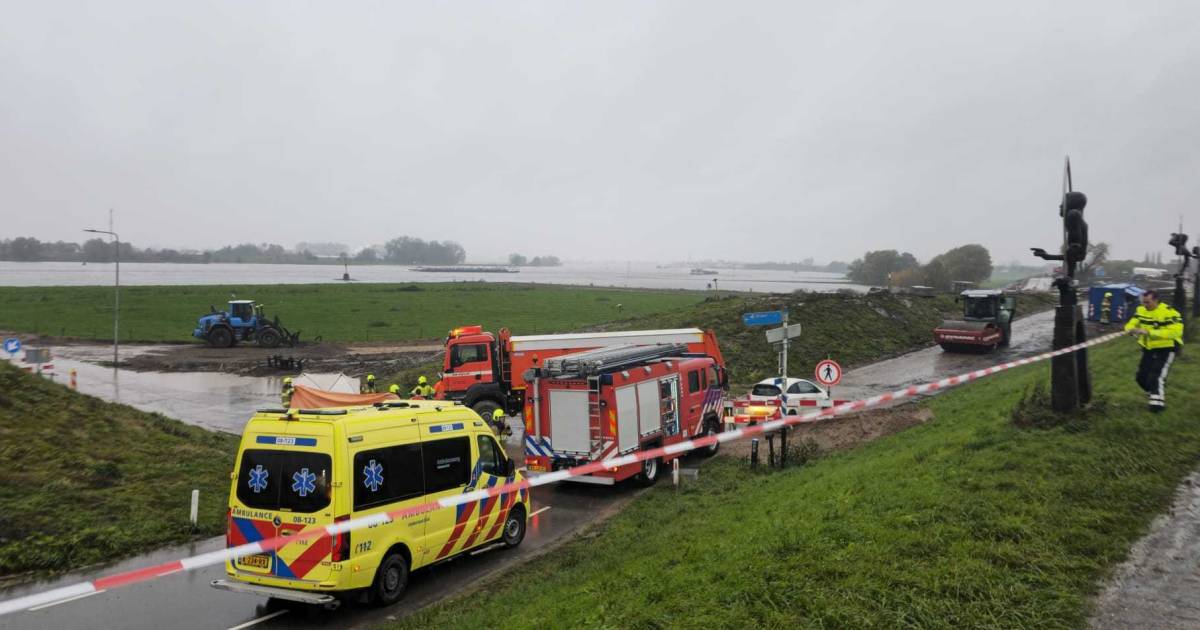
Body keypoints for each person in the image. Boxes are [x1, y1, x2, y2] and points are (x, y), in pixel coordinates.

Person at [1125, 289, 1184, 412]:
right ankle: (1154, 393)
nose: (1145, 305)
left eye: (1148, 302)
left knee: (1156, 376)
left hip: (1167, 348)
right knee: (1140, 377)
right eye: (1143, 302)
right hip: (1148, 349)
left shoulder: (1169, 312)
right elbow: (1130, 324)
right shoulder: (1140, 310)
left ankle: (1157, 407)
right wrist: (1131, 330)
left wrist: (1150, 332)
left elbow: (1176, 332)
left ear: (1156, 300)